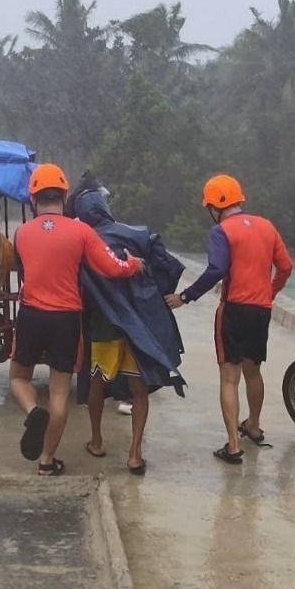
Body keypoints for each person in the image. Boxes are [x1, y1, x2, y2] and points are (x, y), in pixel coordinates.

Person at [10, 164, 144, 477]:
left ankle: (32, 411)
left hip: (31, 314)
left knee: (18, 378)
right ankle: (46, 461)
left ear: (33, 198)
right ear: (65, 195)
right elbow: (112, 268)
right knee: (59, 392)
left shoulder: (21, 233)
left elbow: (23, 271)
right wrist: (133, 265)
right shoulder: (81, 231)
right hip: (66, 319)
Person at [165, 174, 293, 464]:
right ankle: (254, 425)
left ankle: (234, 445)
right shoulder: (267, 226)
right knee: (253, 371)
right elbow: (285, 266)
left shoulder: (221, 231)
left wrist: (185, 297)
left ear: (215, 206)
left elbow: (216, 270)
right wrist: (269, 292)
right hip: (261, 310)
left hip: (234, 309)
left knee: (229, 378)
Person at [70, 174, 186, 475]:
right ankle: (134, 453)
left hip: (103, 325)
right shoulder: (137, 234)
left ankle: (96, 441)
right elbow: (167, 265)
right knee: (138, 388)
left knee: (96, 382)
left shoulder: (81, 241)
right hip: (139, 326)